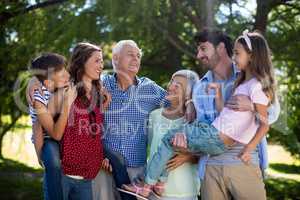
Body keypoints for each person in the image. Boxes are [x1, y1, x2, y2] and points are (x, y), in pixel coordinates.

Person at [123, 30, 277, 200]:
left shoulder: (250, 78)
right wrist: (190, 145)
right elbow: (208, 123)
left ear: (220, 48)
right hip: (210, 165)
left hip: (243, 163)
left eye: (203, 49)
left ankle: (147, 183)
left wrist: (252, 106)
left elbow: (273, 113)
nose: (198, 55)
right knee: (174, 139)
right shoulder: (200, 87)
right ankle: (156, 183)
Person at [92, 40, 196, 200]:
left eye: (138, 56)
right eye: (130, 55)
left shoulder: (150, 88)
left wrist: (190, 105)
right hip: (104, 167)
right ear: (116, 58)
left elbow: (178, 103)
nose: (135, 59)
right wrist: (97, 154)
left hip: (136, 171)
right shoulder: (100, 84)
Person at [55, 42, 111, 200]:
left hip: (87, 178)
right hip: (63, 175)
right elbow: (52, 128)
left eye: (101, 61)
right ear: (82, 62)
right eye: (96, 61)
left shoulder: (99, 95)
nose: (101, 65)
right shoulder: (67, 90)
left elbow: (93, 132)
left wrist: (101, 155)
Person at [147, 70, 200, 200]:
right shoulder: (154, 115)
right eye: (172, 82)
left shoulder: (196, 120)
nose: (171, 87)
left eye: (178, 85)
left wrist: (189, 157)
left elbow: (208, 153)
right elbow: (151, 148)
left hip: (184, 190)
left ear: (189, 94)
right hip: (153, 191)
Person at [28, 52, 70, 200]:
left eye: (66, 71)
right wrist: (39, 155)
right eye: (62, 74)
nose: (67, 75)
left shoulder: (60, 87)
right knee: (52, 163)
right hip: (46, 139)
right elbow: (37, 128)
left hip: (60, 134)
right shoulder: (38, 96)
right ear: (48, 83)